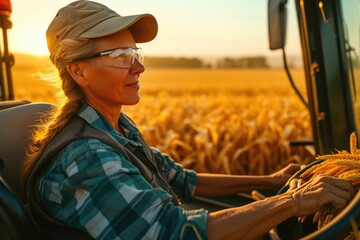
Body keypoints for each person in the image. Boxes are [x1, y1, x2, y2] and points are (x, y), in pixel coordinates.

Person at [23, 1, 355, 239]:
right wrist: (294, 201)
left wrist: (270, 180)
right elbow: (172, 231)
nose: (138, 68)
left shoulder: (115, 128)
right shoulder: (85, 157)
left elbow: (181, 180)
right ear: (78, 70)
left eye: (135, 54)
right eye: (120, 56)